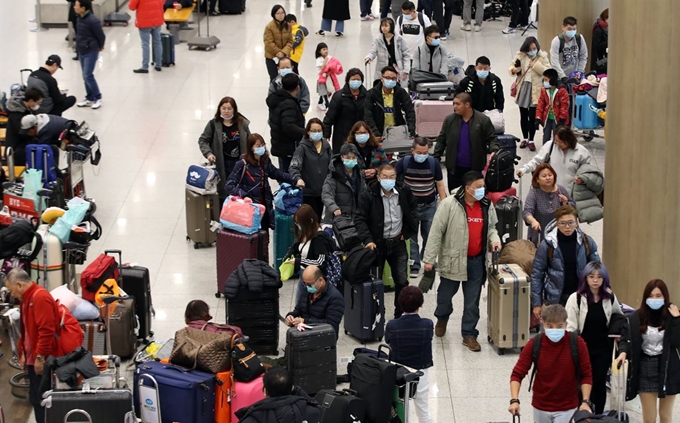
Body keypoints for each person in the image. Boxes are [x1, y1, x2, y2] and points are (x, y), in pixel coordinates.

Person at [422, 171, 501, 350]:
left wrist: (495, 239)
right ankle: (442, 318)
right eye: (479, 187)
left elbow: (491, 228)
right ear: (467, 188)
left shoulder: (486, 205)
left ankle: (469, 335)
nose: (483, 191)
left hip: (476, 262)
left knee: (472, 302)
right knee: (444, 296)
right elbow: (435, 231)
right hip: (453, 260)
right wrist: (429, 259)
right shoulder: (449, 204)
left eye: (483, 187)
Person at [508, 304, 594, 422]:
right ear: (543, 325)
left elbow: (586, 374)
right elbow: (517, 374)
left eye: (559, 326)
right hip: (540, 406)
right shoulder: (535, 343)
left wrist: (585, 401)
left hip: (567, 407)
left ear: (566, 324)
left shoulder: (577, 344)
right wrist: (514, 400)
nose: (555, 330)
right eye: (550, 326)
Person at [355, 163, 418, 318]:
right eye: (385, 177)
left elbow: (414, 211)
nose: (388, 180)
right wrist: (368, 240)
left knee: (402, 281)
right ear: (378, 177)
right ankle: (376, 314)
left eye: (392, 177)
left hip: (398, 243)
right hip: (377, 244)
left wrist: (407, 232)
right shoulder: (368, 194)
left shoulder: (404, 191)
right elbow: (360, 219)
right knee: (375, 283)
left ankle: (400, 314)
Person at [565, 262, 626, 414]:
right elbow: (570, 327)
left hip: (603, 348)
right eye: (591, 276)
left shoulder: (610, 297)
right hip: (582, 348)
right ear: (585, 278)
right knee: (582, 382)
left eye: (599, 277)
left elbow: (619, 317)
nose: (595, 280)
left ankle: (598, 415)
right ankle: (582, 414)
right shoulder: (576, 298)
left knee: (599, 383)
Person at [4, 269, 66, 422]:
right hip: (32, 359)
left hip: (42, 360)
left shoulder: (40, 298)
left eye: (12, 290)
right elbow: (26, 330)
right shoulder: (27, 299)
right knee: (36, 398)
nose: (12, 295)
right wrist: (24, 353)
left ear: (19, 284)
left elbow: (46, 331)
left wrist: (39, 358)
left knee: (43, 401)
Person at [620, 279, 680, 423]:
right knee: (649, 418)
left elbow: (677, 343)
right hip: (645, 368)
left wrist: (677, 319)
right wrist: (623, 352)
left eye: (658, 296)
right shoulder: (636, 317)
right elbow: (625, 337)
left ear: (665, 296)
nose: (654, 299)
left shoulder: (673, 316)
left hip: (667, 368)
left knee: (665, 416)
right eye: (651, 296)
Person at [531, 205, 601, 317]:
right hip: (556, 297)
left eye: (571, 222)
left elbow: (597, 269)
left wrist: (600, 293)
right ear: (557, 224)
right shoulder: (548, 245)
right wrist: (536, 303)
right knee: (556, 330)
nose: (567, 227)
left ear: (577, 223)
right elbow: (537, 274)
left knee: (578, 332)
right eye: (563, 223)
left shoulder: (587, 242)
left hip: (582, 295)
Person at [224, 133, 304, 230]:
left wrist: (295, 180)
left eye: (263, 145)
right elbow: (229, 185)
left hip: (264, 208)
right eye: (258, 146)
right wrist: (244, 195)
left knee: (264, 238)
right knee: (251, 240)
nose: (261, 147)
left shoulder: (265, 162)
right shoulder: (242, 164)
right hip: (248, 209)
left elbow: (277, 174)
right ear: (251, 148)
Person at [396, 138, 446, 278]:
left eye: (425, 153)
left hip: (429, 206)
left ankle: (428, 261)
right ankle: (414, 265)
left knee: (430, 236)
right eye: (419, 152)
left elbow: (440, 184)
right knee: (411, 238)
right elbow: (394, 180)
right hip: (410, 208)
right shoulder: (404, 163)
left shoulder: (433, 163)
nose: (422, 155)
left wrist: (445, 204)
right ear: (412, 151)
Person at [385, 286, 434, 423]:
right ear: (420, 305)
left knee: (401, 408)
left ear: (400, 304)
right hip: (421, 373)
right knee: (423, 411)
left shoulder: (392, 325)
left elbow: (388, 341)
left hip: (399, 375)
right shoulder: (427, 324)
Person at [433, 92, 499, 191]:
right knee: (455, 197)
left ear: (467, 105)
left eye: (458, 104)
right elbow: (441, 139)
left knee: (474, 197)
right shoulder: (449, 120)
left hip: (474, 168)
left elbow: (492, 138)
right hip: (454, 169)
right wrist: (436, 157)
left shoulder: (483, 120)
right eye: (454, 104)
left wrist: (494, 149)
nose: (455, 107)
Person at [198, 96, 252, 203]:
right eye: (223, 108)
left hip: (239, 163)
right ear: (219, 109)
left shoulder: (242, 123)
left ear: (234, 110)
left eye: (229, 108)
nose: (226, 111)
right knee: (223, 190)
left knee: (239, 189)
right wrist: (208, 153)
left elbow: (250, 141)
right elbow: (203, 140)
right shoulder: (213, 124)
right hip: (221, 164)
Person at [285, 205, 337, 306]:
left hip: (314, 279)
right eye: (296, 223)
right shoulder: (306, 232)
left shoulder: (319, 239)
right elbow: (299, 244)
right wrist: (291, 252)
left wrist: (299, 261)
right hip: (303, 275)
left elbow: (320, 262)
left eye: (300, 223)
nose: (298, 226)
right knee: (299, 307)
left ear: (310, 221)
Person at [236, 366, 322, 423]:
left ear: (265, 391)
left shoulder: (252, 417)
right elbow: (317, 408)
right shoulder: (309, 411)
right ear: (292, 388)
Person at [516, 126, 593, 188]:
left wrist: (583, 179)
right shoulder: (550, 146)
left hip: (571, 194)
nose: (558, 144)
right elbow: (537, 161)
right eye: (556, 141)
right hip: (551, 191)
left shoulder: (582, 152)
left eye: (561, 142)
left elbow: (588, 172)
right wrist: (524, 169)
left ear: (569, 140)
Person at [509, 36, 550, 151]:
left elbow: (548, 71)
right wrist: (514, 70)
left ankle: (531, 139)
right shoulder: (520, 56)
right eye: (530, 48)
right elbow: (511, 67)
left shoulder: (542, 57)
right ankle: (525, 138)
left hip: (536, 89)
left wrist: (536, 66)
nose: (533, 50)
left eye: (534, 48)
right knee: (523, 114)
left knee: (532, 116)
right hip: (523, 87)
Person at [290, 118, 333, 219]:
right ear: (308, 132)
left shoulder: (326, 146)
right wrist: (298, 178)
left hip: (324, 191)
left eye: (319, 131)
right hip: (308, 192)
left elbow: (332, 165)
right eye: (313, 131)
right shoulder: (302, 148)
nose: (316, 133)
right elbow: (294, 166)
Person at [285, 265, 345, 337]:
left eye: (309, 284)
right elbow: (298, 309)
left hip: (323, 339)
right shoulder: (306, 291)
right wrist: (291, 316)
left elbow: (331, 324)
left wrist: (304, 321)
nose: (307, 287)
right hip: (304, 336)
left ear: (321, 280)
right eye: (305, 283)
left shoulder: (335, 298)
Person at [522, 163, 573, 245]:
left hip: (559, 234)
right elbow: (527, 212)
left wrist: (565, 203)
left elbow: (572, 209)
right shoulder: (534, 193)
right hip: (539, 235)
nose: (548, 178)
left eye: (550, 175)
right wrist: (533, 221)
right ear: (537, 179)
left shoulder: (561, 189)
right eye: (544, 176)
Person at [266, 73, 307, 173]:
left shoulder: (277, 98)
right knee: (289, 176)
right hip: (288, 147)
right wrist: (306, 133)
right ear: (297, 87)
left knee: (284, 172)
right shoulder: (288, 103)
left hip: (280, 144)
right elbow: (288, 126)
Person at [323, 68, 368, 154]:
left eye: (358, 79)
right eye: (353, 79)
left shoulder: (367, 96)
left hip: (361, 135)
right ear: (348, 80)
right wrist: (326, 134)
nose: (356, 81)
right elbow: (329, 117)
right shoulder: (339, 96)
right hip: (342, 136)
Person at [364, 66, 416, 139]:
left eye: (393, 78)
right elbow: (368, 115)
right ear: (382, 79)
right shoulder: (372, 94)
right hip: (378, 133)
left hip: (397, 132)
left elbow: (410, 112)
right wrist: (375, 133)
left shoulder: (401, 93)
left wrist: (411, 131)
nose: (391, 80)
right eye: (387, 78)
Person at [74, 0, 105, 109]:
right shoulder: (79, 18)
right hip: (82, 50)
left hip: (91, 50)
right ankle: (89, 97)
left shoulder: (92, 21)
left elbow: (101, 35)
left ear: (83, 8)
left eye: (77, 6)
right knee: (85, 76)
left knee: (88, 75)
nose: (74, 7)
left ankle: (98, 97)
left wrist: (100, 46)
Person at [322, 143, 366, 219]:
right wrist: (334, 208)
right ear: (342, 157)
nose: (351, 160)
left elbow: (365, 193)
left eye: (353, 157)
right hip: (339, 217)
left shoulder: (360, 175)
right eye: (348, 157)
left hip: (356, 216)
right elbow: (327, 194)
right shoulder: (334, 175)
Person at [365, 18, 412, 88]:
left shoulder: (400, 39)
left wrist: (406, 70)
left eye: (386, 26)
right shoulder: (378, 39)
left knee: (397, 89)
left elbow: (406, 55)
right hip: (383, 68)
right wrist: (369, 57)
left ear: (391, 27)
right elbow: (373, 51)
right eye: (382, 26)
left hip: (397, 69)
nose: (384, 28)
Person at [5, 87, 43, 166]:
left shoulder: (26, 110)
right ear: (31, 101)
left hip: (23, 145)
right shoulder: (16, 114)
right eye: (38, 103)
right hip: (16, 149)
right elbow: (19, 132)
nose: (38, 106)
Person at [535, 68, 570, 144]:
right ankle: (545, 153)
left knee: (557, 138)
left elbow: (564, 105)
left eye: (546, 80)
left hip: (557, 119)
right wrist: (538, 118)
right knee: (546, 137)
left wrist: (562, 119)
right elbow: (541, 104)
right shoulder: (544, 90)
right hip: (547, 119)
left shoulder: (562, 91)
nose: (544, 82)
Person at [129, 0, 163, 74]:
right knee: (157, 42)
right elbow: (163, 2)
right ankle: (158, 64)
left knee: (145, 44)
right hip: (157, 20)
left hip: (144, 22)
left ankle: (145, 67)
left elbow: (131, 7)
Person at [550, 16, 588, 80]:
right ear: (563, 27)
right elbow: (554, 62)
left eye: (574, 29)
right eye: (569, 29)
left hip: (575, 76)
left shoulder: (579, 38)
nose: (572, 31)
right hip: (560, 77)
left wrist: (580, 71)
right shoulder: (557, 41)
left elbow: (583, 56)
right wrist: (563, 77)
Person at [263, 5, 293, 81]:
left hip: (285, 57)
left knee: (286, 79)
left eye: (282, 13)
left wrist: (283, 52)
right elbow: (268, 42)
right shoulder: (269, 27)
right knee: (274, 79)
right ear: (273, 14)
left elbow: (290, 41)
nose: (281, 15)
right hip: (272, 57)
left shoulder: (288, 26)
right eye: (278, 13)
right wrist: (278, 52)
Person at [591, 8, 609, 75]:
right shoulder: (598, 30)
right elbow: (596, 46)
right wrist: (608, 43)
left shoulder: (606, 28)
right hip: (600, 60)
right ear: (606, 18)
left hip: (605, 59)